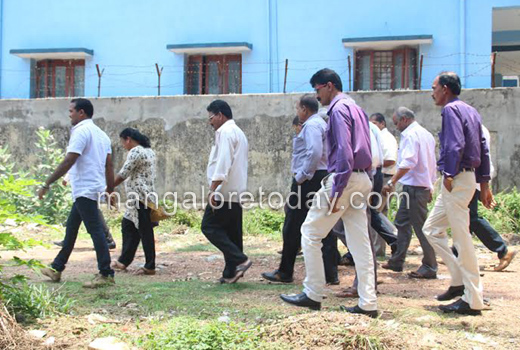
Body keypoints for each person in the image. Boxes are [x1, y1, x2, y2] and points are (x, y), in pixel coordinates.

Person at [281, 68, 378, 318]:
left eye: (318, 89)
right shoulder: (357, 108)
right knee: (360, 243)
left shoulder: (337, 110)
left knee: (309, 232)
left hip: (344, 178)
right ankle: (368, 303)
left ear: (330, 86)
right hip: (362, 177)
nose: (317, 95)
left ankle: (312, 293)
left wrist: (338, 188)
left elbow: (344, 150)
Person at [423, 72, 492, 316]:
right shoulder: (471, 110)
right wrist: (483, 183)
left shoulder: (451, 111)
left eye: (433, 88)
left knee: (462, 240)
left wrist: (450, 173)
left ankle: (473, 299)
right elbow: (483, 148)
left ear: (444, 88)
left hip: (456, 178)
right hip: (463, 178)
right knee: (430, 229)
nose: (431, 93)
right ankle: (458, 281)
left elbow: (454, 145)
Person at [38, 98, 115, 288]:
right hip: (92, 187)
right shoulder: (101, 134)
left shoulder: (81, 131)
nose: (69, 114)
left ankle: (106, 273)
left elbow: (69, 160)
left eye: (71, 111)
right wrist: (110, 190)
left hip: (85, 188)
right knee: (71, 229)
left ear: (82, 113)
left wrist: (47, 183)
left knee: (96, 231)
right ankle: (56, 268)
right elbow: (109, 165)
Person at [261, 94, 337, 284]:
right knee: (324, 224)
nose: (297, 112)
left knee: (292, 225)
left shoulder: (311, 125)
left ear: (304, 109)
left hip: (309, 179)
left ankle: (285, 271)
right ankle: (330, 273)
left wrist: (302, 177)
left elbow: (314, 152)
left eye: (297, 109)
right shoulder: (321, 123)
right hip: (321, 176)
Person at [381, 107, 438, 279]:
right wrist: (431, 185)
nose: (396, 127)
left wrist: (392, 181)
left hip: (415, 188)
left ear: (405, 119)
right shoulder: (426, 134)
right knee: (401, 222)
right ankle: (397, 260)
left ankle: (430, 265)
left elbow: (408, 162)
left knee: (421, 228)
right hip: (416, 186)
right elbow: (431, 163)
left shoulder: (411, 135)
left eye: (397, 123)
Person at [452, 125, 516, 271]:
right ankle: (457, 253)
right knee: (465, 217)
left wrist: (483, 187)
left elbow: (479, 159)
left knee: (471, 217)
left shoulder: (472, 129)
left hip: (471, 179)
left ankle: (503, 250)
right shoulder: (478, 128)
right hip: (474, 179)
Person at [201, 100, 251, 284]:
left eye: (211, 117)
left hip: (223, 190)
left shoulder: (225, 132)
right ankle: (231, 272)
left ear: (220, 115)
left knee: (209, 227)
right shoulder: (239, 133)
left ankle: (239, 259)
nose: (210, 122)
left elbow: (223, 162)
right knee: (232, 233)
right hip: (236, 191)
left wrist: (213, 189)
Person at [110, 128, 157, 275]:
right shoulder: (149, 151)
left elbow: (123, 173)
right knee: (129, 226)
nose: (123, 145)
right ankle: (123, 261)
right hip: (144, 196)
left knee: (144, 231)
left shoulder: (136, 151)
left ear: (128, 139)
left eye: (123, 142)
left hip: (139, 197)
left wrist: (108, 187)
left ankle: (150, 265)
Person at [54, 173, 116, 250]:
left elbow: (74, 163)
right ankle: (67, 241)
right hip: (85, 188)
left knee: (92, 214)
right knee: (73, 219)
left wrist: (66, 178)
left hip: (85, 189)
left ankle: (108, 240)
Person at [369, 113, 398, 216]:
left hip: (385, 179)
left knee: (376, 213)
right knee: (381, 214)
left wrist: (373, 165)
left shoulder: (386, 138)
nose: (372, 126)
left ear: (382, 123)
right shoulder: (378, 136)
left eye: (375, 123)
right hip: (382, 178)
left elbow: (391, 160)